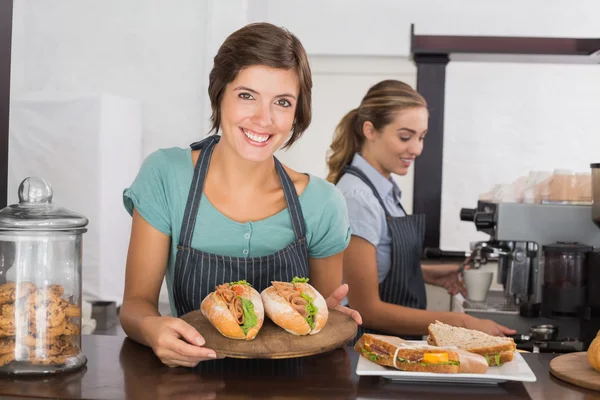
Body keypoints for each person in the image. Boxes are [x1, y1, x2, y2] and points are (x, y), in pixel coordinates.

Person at [120, 22, 362, 368]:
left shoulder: (322, 203)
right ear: (219, 95)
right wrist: (152, 328)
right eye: (246, 95)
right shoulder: (165, 175)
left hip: (292, 390)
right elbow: (135, 306)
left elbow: (323, 323)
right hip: (191, 383)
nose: (263, 119)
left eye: (282, 102)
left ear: (297, 113)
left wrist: (329, 318)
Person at [326, 79, 515, 340]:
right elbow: (365, 308)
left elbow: (375, 266)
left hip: (389, 342)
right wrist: (462, 322)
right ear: (370, 130)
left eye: (421, 137)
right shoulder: (358, 197)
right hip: (365, 346)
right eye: (405, 137)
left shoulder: (384, 190)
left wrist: (423, 274)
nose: (416, 149)